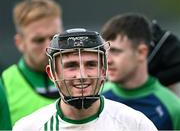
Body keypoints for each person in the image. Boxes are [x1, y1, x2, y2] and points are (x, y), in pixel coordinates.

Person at [13, 28, 157, 131]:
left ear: (103, 70)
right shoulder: (28, 127)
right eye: (71, 66)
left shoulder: (136, 124)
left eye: (91, 64)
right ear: (52, 74)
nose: (82, 75)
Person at [101, 13, 180, 130]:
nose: (108, 60)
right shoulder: (97, 97)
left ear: (141, 52)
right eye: (105, 52)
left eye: (116, 51)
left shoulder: (172, 108)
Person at [0, 0, 63, 125]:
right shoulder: (4, 85)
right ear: (20, 43)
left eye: (54, 37)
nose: (49, 47)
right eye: (38, 40)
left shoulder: (87, 78)